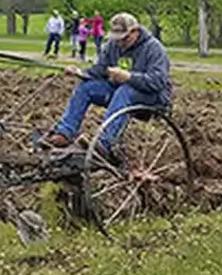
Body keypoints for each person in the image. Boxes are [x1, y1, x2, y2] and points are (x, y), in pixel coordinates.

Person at [39, 13, 173, 166]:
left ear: (135, 31)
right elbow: (100, 70)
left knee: (125, 90)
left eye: (124, 39)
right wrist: (80, 72)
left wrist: (129, 77)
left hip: (152, 97)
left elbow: (158, 82)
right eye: (117, 39)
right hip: (120, 92)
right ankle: (65, 133)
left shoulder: (154, 48)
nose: (120, 43)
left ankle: (105, 144)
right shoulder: (112, 45)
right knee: (86, 88)